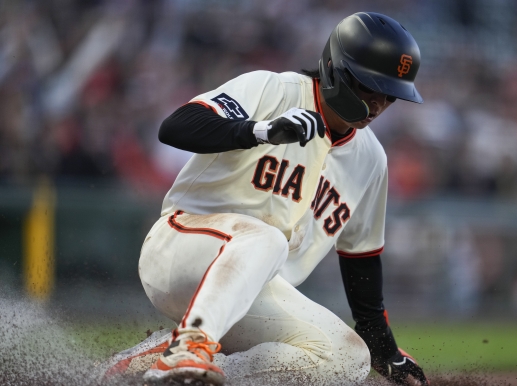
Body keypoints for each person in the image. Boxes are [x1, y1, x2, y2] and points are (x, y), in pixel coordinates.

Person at [103, 12, 428, 386]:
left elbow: (362, 261)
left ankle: (161, 370)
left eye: (390, 95)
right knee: (267, 237)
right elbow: (176, 126)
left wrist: (384, 349)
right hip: (181, 249)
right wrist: (260, 131)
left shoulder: (371, 160)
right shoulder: (273, 90)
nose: (378, 104)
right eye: (370, 88)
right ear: (337, 69)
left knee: (349, 360)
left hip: (254, 290)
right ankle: (186, 348)